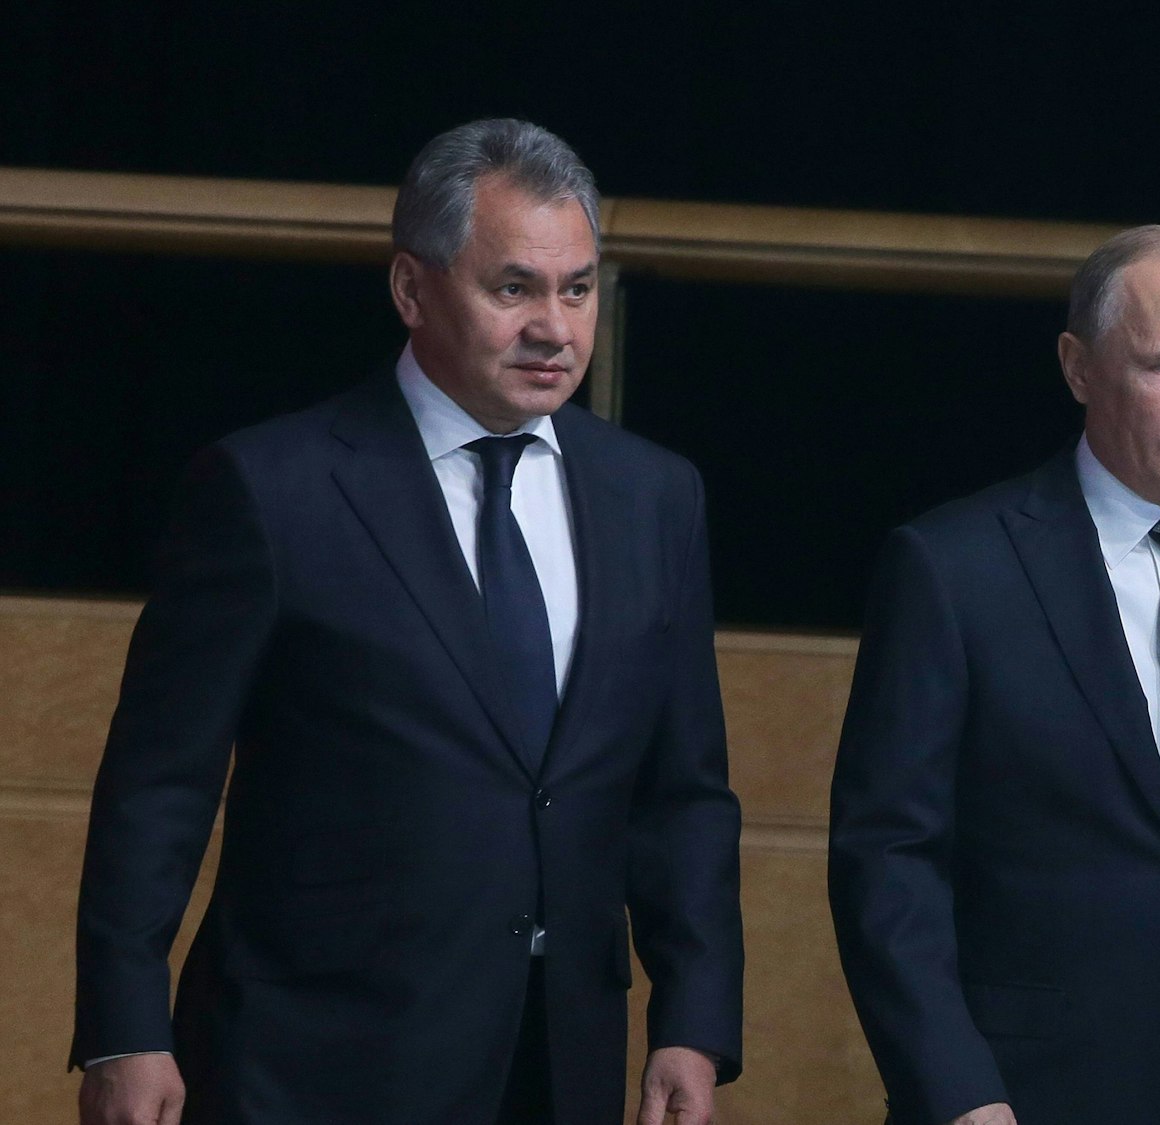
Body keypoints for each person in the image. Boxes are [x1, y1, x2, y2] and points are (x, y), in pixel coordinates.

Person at [71, 118, 743, 1125]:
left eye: (577, 287)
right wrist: (126, 1027)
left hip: (558, 1059)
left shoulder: (655, 497)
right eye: (512, 288)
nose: (554, 327)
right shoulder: (271, 491)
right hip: (310, 1064)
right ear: (410, 289)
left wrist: (693, 1016)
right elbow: (157, 783)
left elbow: (682, 791)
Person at [828, 225, 1160, 1125]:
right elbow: (887, 860)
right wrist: (959, 1094)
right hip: (1028, 1099)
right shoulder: (954, 567)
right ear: (1079, 367)